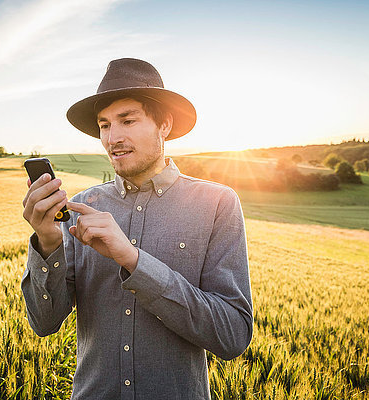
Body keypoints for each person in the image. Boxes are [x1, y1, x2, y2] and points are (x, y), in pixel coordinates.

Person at [21, 58, 253, 400]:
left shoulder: (216, 203)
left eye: (127, 120)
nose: (113, 138)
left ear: (164, 125)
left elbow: (232, 335)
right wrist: (47, 241)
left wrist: (132, 260)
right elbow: (43, 324)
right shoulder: (81, 208)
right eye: (104, 125)